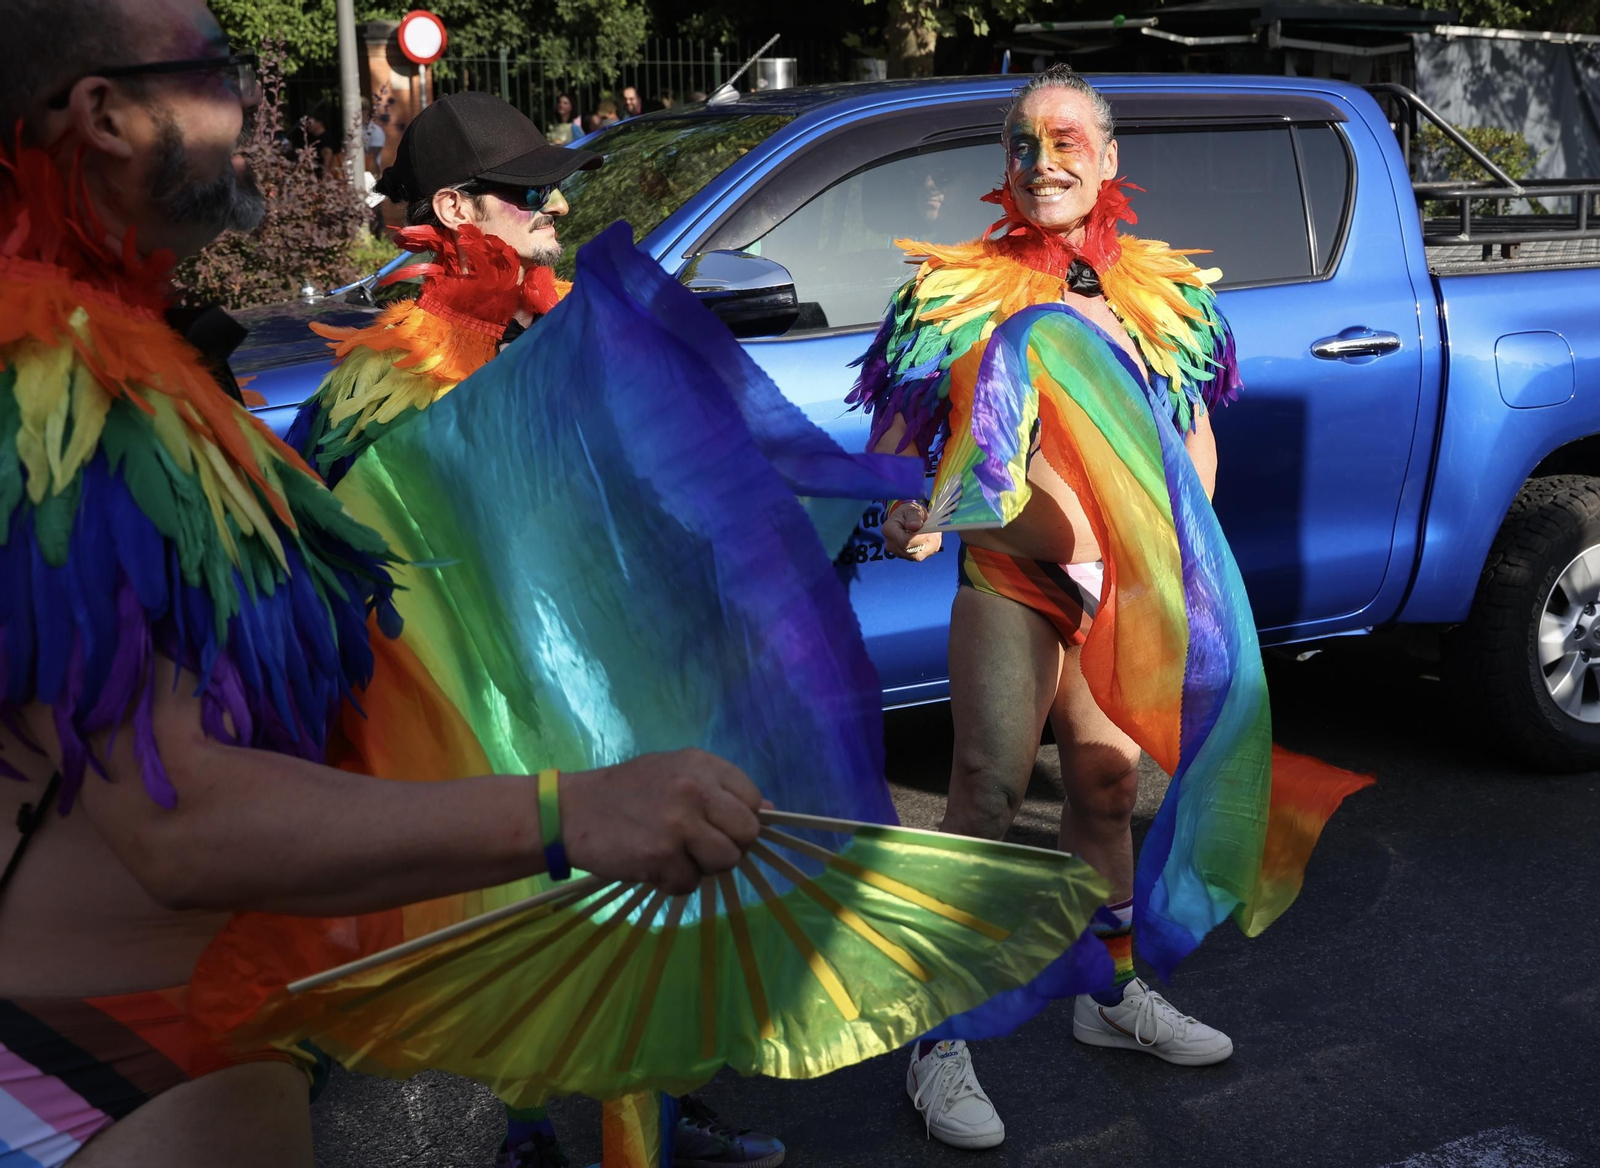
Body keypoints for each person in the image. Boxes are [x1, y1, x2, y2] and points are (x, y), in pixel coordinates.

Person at [0, 7, 769, 1167]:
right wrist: (571, 812)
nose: (255, 102)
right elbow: (175, 820)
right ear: (104, 116)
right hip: (101, 1046)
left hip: (185, 1023)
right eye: (217, 71)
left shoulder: (129, 357)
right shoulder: (51, 384)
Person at [287, 91, 789, 1168]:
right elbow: (344, 532)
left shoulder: (550, 318)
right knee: (549, 907)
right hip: (498, 684)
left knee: (650, 891)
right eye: (526, 195)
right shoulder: (402, 361)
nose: (554, 205)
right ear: (457, 207)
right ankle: (535, 1129)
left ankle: (651, 1101)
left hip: (605, 654)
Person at [852, 66, 1240, 1150]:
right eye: (1022, 144)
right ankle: (939, 1040)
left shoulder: (1163, 294)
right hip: (1009, 579)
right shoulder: (952, 291)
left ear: (1110, 161)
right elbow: (896, 443)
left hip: (1117, 585)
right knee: (982, 791)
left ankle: (1107, 993)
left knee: (1109, 790)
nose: (1043, 161)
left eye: (1066, 140)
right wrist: (902, 514)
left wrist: (1173, 551)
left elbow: (1191, 440)